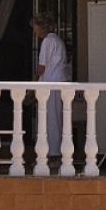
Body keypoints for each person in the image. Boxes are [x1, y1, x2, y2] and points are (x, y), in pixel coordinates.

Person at [31, 13, 70, 160]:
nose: (34, 30)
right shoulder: (57, 40)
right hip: (58, 82)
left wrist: (34, 80)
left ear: (42, 27)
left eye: (35, 27)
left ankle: (53, 153)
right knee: (56, 117)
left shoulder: (48, 41)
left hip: (52, 84)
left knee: (51, 118)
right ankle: (54, 151)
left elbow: (42, 67)